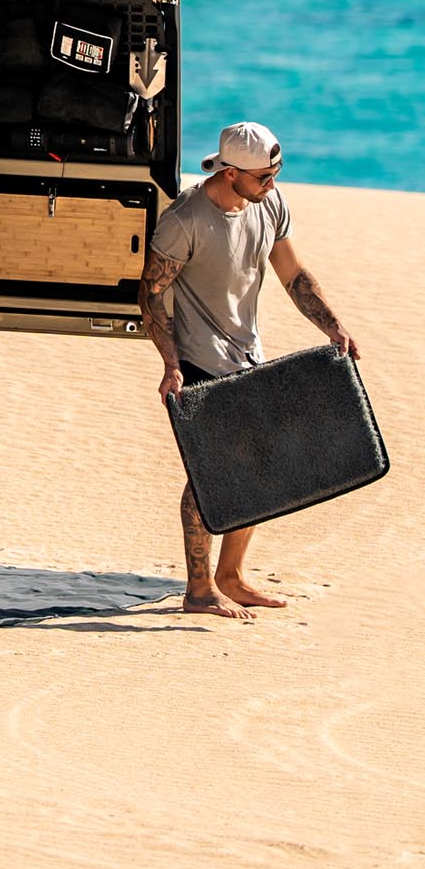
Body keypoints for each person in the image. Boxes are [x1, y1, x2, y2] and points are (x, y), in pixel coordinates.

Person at [139, 121, 360, 619]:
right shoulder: (185, 219)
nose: (272, 184)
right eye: (263, 177)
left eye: (276, 174)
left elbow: (294, 275)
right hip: (198, 361)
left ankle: (230, 576)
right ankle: (199, 590)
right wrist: (171, 363)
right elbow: (151, 292)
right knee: (210, 474)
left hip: (247, 356)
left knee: (258, 467)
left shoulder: (268, 205)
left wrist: (333, 326)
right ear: (231, 172)